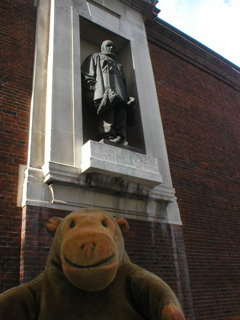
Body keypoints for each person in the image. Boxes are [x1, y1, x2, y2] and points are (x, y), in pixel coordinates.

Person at [81, 40, 135, 144]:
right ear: (102, 47)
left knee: (122, 113)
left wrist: (128, 98)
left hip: (120, 93)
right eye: (108, 45)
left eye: (112, 46)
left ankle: (121, 137)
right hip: (105, 91)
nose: (111, 48)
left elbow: (123, 82)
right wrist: (92, 89)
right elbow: (87, 72)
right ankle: (107, 135)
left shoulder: (118, 64)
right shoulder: (96, 57)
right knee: (108, 112)